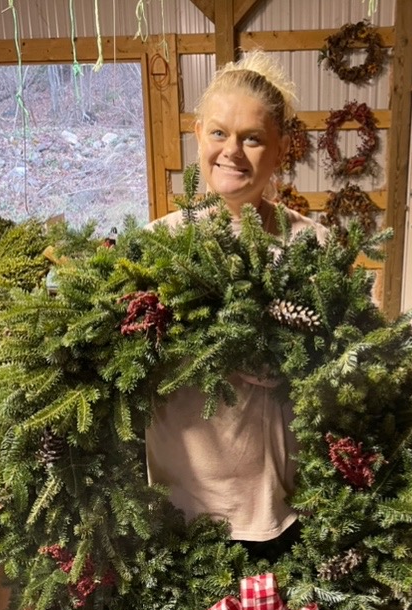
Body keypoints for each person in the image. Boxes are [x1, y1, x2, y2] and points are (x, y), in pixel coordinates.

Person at [146, 55, 329, 568]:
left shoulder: (309, 246)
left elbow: (342, 371)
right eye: (219, 133)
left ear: (281, 150)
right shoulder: (159, 246)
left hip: (274, 506)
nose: (232, 152)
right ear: (198, 134)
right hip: (180, 504)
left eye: (252, 138)